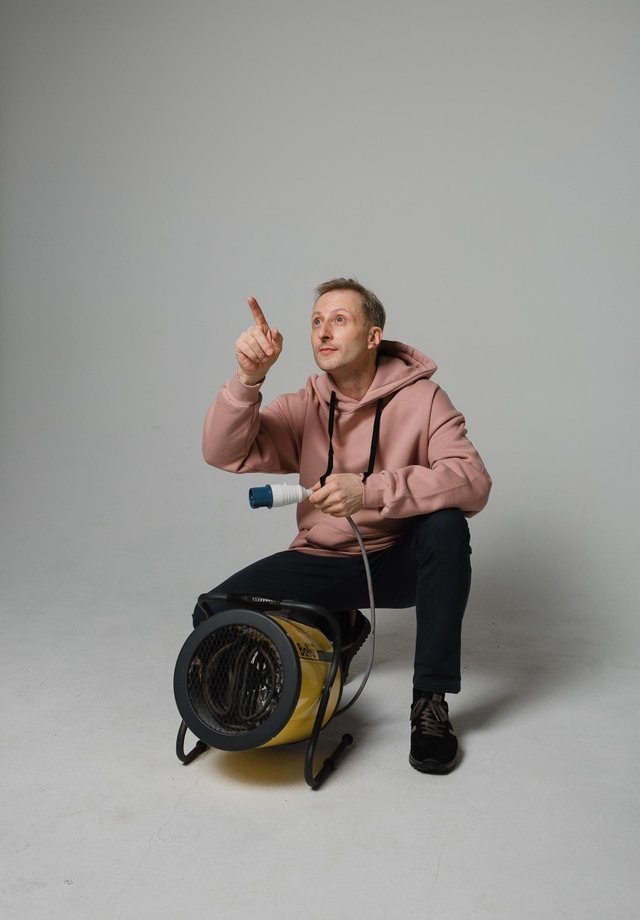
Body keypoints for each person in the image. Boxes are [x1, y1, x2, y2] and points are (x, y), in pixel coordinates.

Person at [194, 278, 491, 774]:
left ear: (374, 336)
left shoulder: (423, 399)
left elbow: (473, 481)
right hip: (321, 559)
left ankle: (430, 703)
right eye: (316, 321)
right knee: (212, 610)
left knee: (446, 526)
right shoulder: (305, 405)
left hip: (396, 559)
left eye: (339, 320)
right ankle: (313, 656)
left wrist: (370, 490)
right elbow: (221, 452)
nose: (323, 332)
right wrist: (247, 379)